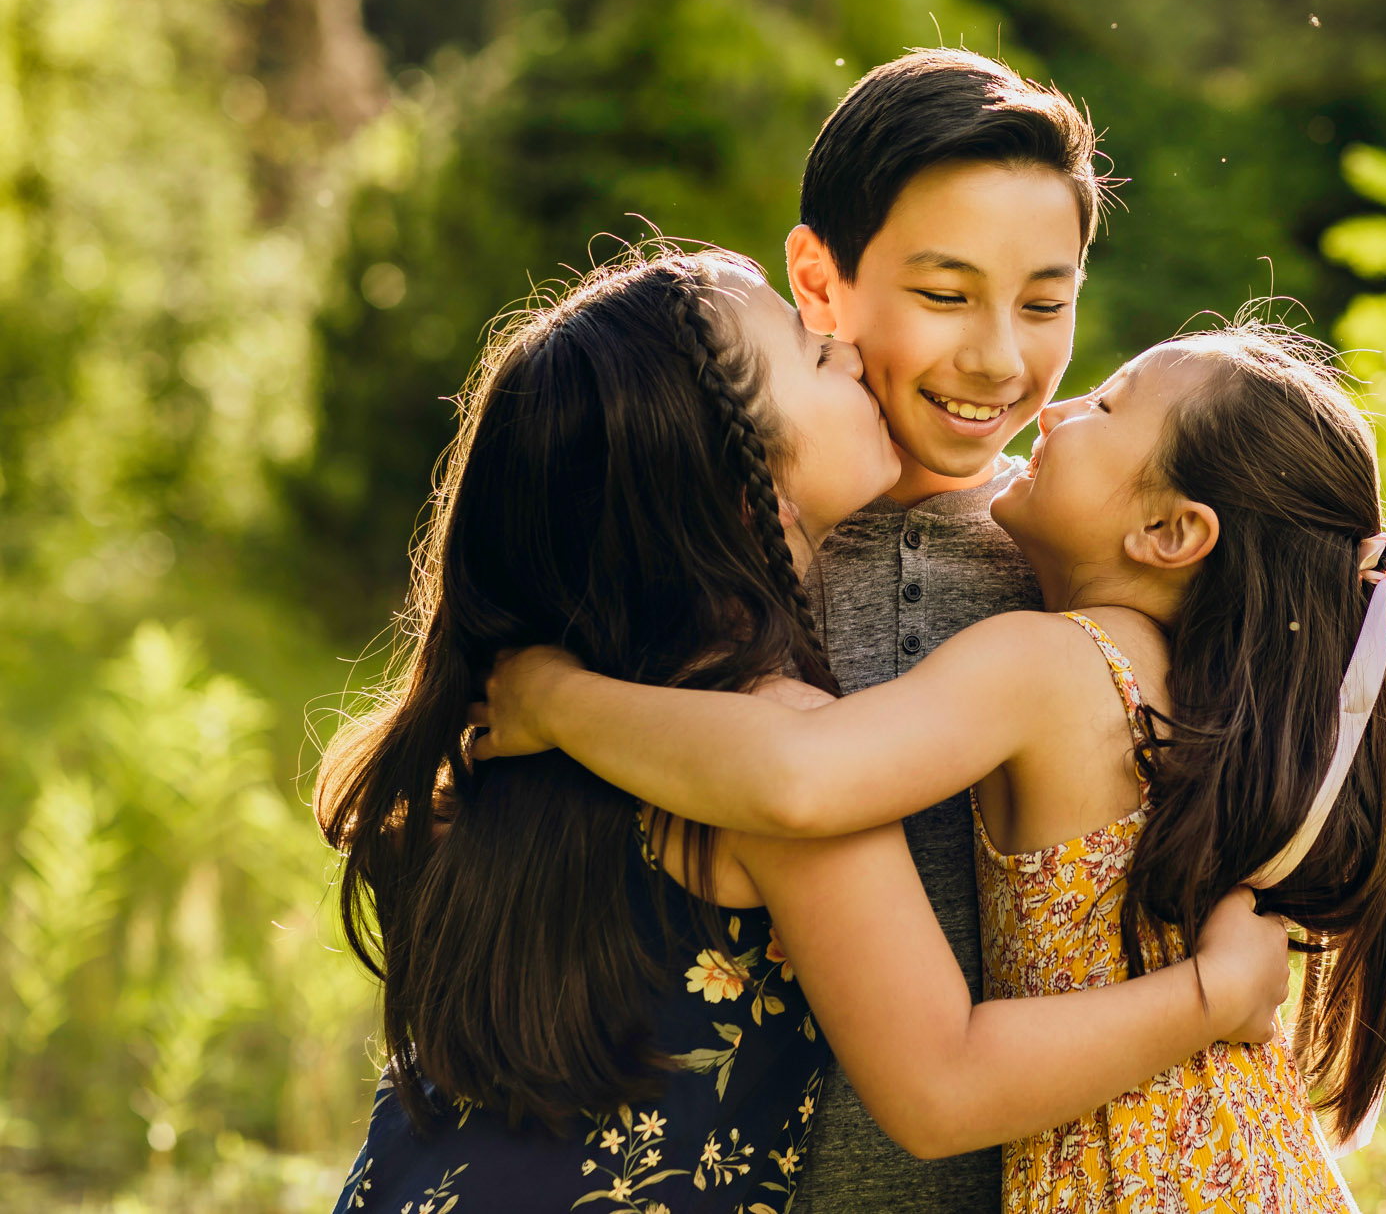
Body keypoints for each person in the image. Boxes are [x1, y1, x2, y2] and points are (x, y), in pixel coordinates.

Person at [317, 248, 1295, 1214]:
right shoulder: (764, 751)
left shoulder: (518, 722)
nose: (844, 348)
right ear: (753, 493)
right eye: (811, 353)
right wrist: (1213, 993)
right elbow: (941, 1088)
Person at [477, 325, 1386, 1211]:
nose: (1055, 410)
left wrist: (550, 701)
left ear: (1172, 533)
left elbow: (803, 775)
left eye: (1104, 406)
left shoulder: (1054, 663)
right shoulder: (1201, 699)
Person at [777, 46, 1110, 1212]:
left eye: (1043, 302)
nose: (998, 359)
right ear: (819, 282)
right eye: (942, 293)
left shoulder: (1074, 562)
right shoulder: (704, 546)